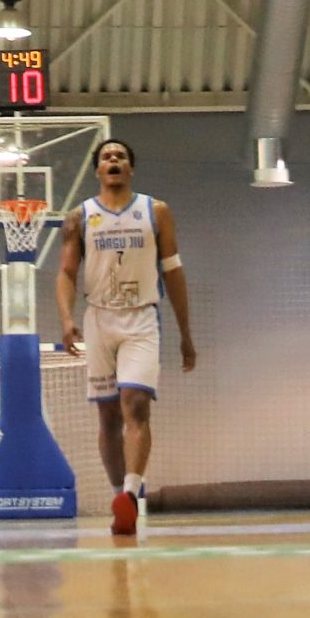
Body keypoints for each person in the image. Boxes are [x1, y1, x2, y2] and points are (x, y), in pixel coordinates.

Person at [57, 137, 195, 539]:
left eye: (119, 156)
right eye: (106, 157)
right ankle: (120, 497)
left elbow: (173, 271)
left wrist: (186, 333)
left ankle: (132, 495)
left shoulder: (156, 211)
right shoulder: (80, 217)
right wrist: (66, 319)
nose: (113, 160)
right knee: (108, 416)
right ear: (98, 170)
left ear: (130, 168)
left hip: (141, 317)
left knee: (135, 403)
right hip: (99, 318)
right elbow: (66, 273)